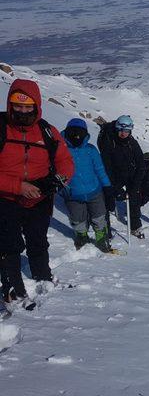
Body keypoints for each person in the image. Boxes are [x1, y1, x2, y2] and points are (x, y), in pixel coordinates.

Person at [0, 79, 74, 308]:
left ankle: (43, 276)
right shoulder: (1, 127)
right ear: (10, 104)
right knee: (8, 243)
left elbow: (65, 162)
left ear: (37, 106)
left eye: (28, 106)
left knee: (38, 240)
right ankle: (12, 286)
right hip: (6, 197)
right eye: (17, 106)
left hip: (39, 198)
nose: (22, 111)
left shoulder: (47, 131)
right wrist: (18, 186)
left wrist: (55, 182)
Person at [60, 118, 112, 252]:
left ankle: (101, 237)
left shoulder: (91, 150)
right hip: (72, 194)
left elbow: (100, 170)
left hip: (95, 191)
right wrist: (63, 190)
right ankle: (81, 236)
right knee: (77, 219)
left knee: (99, 216)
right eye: (73, 131)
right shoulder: (61, 150)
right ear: (67, 132)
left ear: (85, 134)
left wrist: (107, 187)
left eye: (80, 132)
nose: (76, 135)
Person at [97, 115, 145, 239]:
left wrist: (135, 185)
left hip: (129, 173)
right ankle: (105, 230)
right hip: (113, 174)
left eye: (127, 131)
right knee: (107, 199)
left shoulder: (132, 142)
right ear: (117, 128)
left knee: (134, 198)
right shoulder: (108, 141)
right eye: (121, 130)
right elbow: (106, 167)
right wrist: (116, 189)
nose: (124, 133)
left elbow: (141, 163)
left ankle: (135, 227)